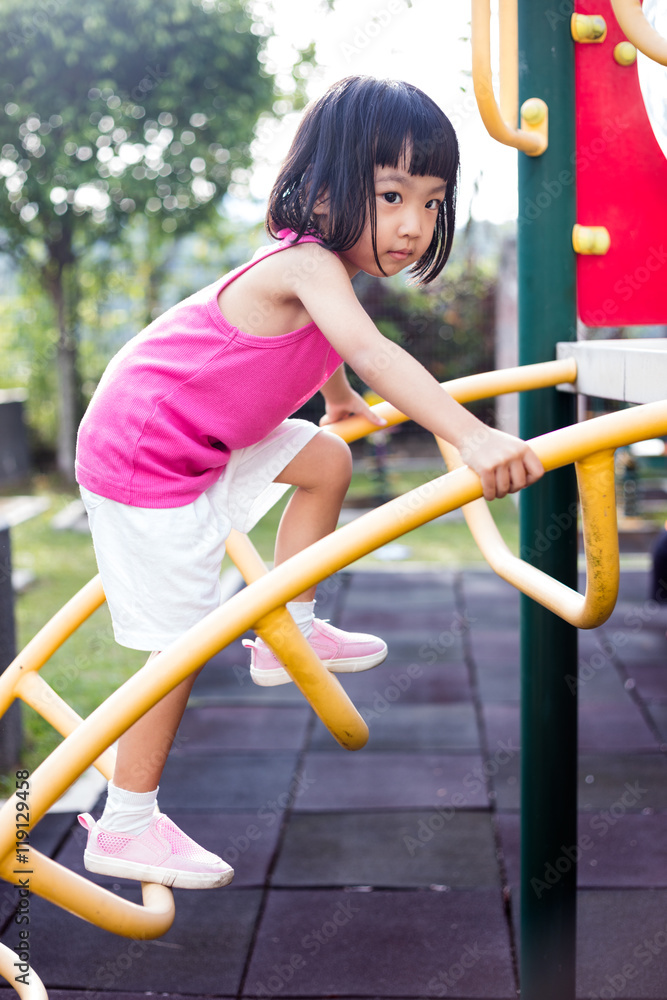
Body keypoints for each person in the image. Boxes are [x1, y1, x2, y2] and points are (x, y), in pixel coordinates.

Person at [74, 75, 544, 890]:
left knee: (325, 458)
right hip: (144, 452)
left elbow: (329, 354)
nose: (412, 224)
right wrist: (467, 435)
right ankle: (126, 822)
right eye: (392, 193)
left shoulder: (327, 274)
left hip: (203, 438)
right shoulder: (305, 263)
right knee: (177, 647)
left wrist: (337, 403)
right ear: (322, 187)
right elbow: (372, 350)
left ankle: (287, 631)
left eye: (431, 203)